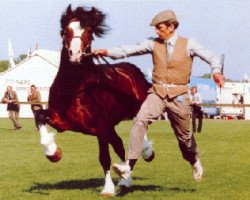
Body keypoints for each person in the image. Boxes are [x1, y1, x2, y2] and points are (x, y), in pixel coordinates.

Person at [94, 9, 225, 187]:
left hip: (179, 96)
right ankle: (129, 166)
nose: (156, 31)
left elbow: (211, 56)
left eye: (160, 28)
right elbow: (129, 49)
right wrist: (107, 52)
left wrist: (216, 71)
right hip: (157, 93)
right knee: (140, 120)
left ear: (171, 27)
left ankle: (193, 160)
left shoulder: (188, 44)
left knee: (185, 139)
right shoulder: (152, 43)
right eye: (156, 28)